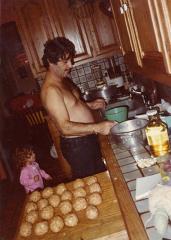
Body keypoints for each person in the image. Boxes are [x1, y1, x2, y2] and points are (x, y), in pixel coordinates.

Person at [41, 37, 117, 179]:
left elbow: (71, 105)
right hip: (77, 146)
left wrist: (91, 105)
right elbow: (64, 127)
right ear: (50, 62)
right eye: (65, 62)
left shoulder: (62, 80)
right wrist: (98, 127)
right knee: (93, 183)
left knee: (102, 178)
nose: (71, 65)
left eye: (71, 60)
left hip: (85, 141)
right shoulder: (51, 90)